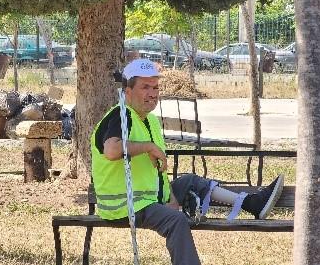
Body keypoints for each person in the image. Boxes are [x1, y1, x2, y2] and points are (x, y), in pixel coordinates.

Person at [90, 58, 284, 265]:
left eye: (155, 87)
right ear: (127, 91)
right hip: (124, 207)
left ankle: (252, 203)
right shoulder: (121, 117)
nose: (153, 93)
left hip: (146, 199)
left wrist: (171, 196)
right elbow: (112, 150)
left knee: (190, 181)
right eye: (145, 87)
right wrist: (147, 146)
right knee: (176, 221)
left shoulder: (149, 120)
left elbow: (156, 170)